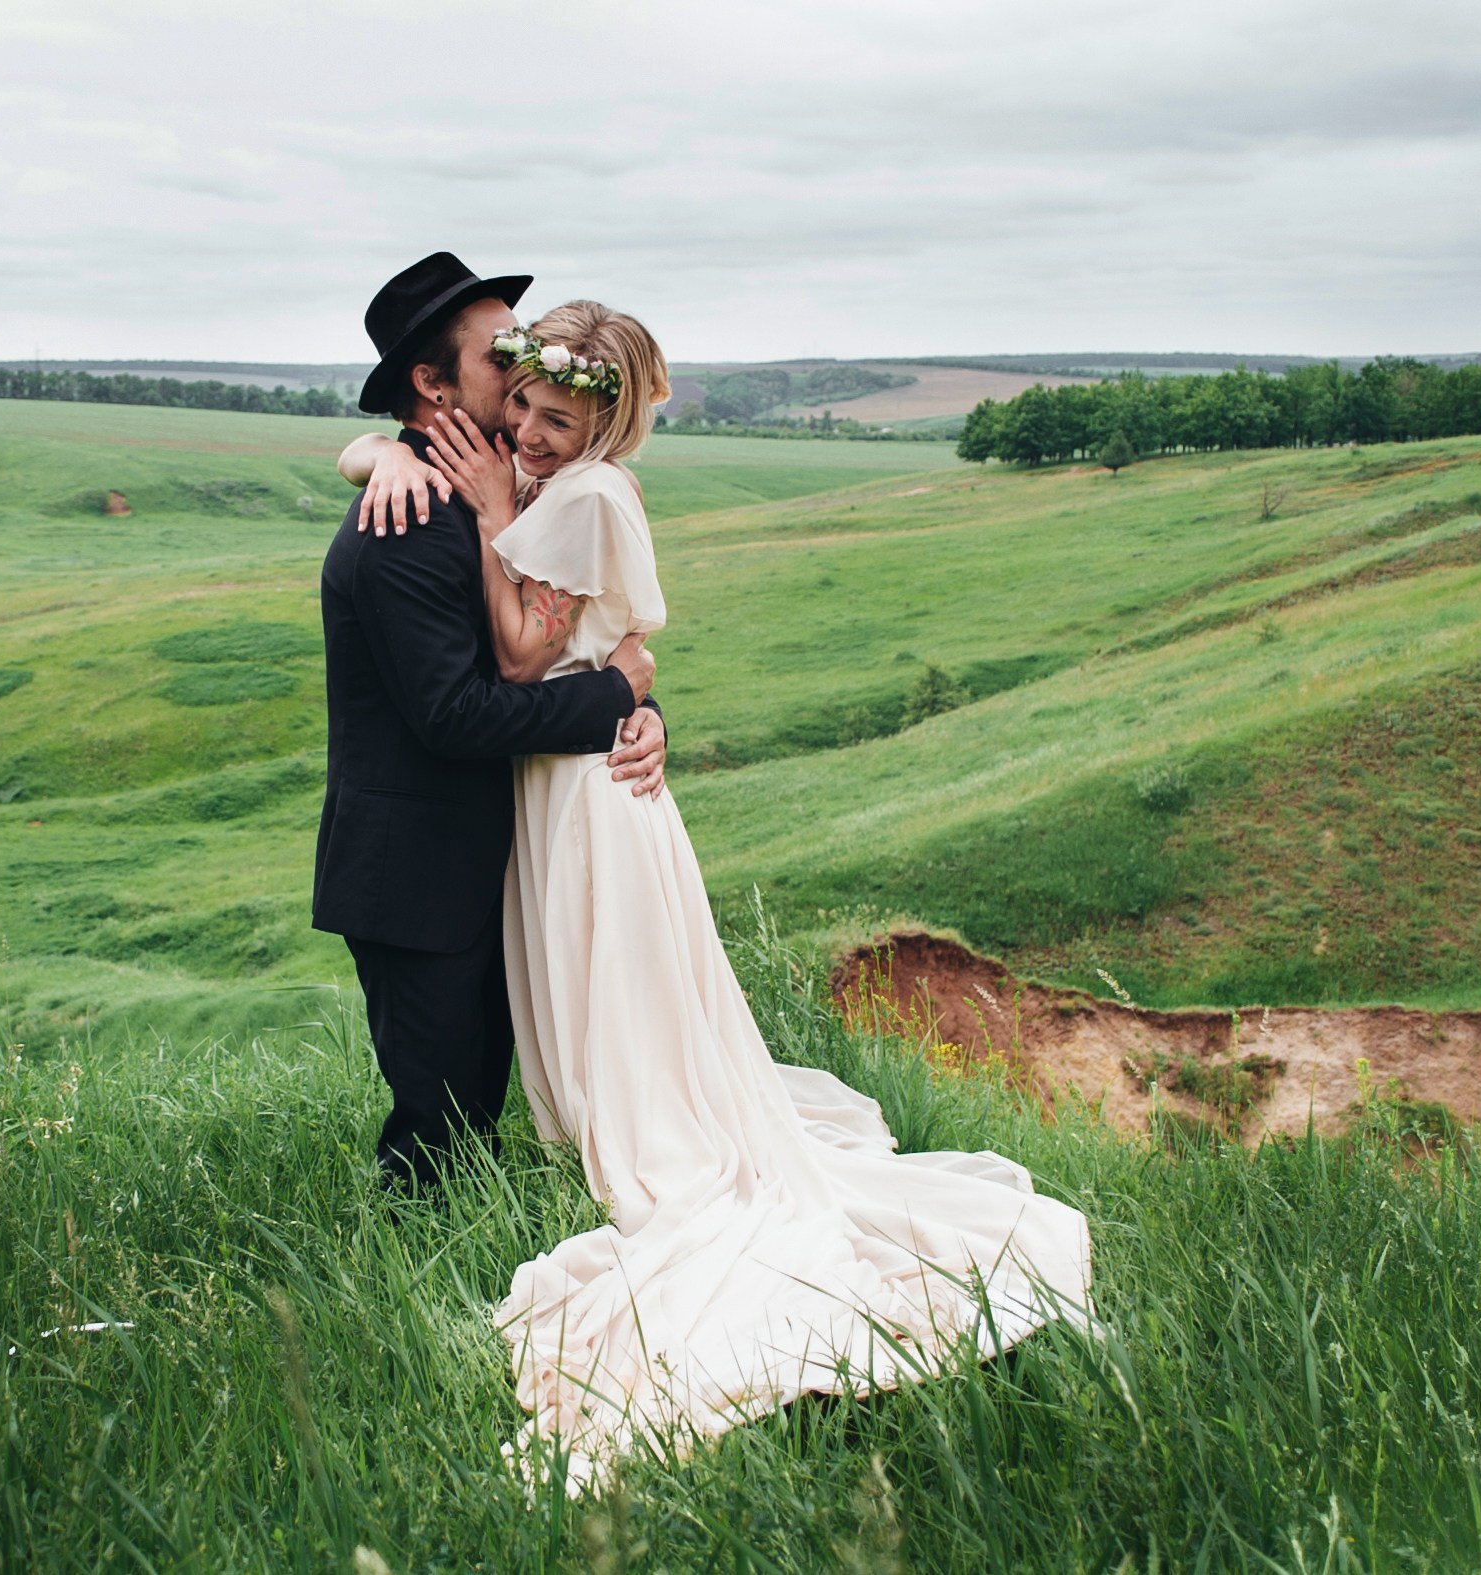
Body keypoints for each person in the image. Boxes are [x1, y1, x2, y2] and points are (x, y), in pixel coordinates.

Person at [341, 298, 1093, 1488]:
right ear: (445, 388)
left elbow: (537, 653)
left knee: (615, 982)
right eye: (513, 388)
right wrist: (384, 456)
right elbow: (531, 655)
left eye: (550, 412)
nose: (526, 425)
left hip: (578, 791)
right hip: (527, 789)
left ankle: (627, 1145)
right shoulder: (469, 479)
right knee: (570, 1001)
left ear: (598, 421)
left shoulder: (569, 491)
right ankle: (541, 1157)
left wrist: (618, 683)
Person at [314, 251, 669, 1190]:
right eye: (497, 355)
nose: (519, 375)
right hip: (414, 875)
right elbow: (456, 713)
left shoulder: (502, 484)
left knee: (479, 1118)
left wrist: (642, 709)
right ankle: (408, 1267)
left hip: (491, 862)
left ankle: (481, 1241)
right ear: (433, 385)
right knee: (433, 1139)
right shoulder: (403, 518)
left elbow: (578, 635)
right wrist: (616, 699)